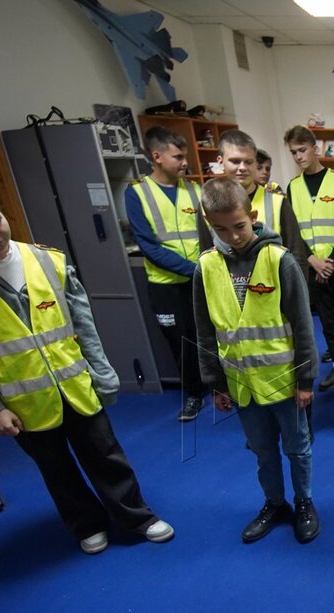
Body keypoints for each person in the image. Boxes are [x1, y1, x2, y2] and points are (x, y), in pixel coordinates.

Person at [0, 183, 175, 555]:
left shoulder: (46, 259)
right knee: (55, 468)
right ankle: (86, 523)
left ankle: (137, 517)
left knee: (106, 455)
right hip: (22, 398)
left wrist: (102, 373)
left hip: (75, 382)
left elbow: (83, 322)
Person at [192, 178, 320, 544]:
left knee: (297, 448)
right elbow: (205, 332)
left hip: (284, 381)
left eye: (239, 226)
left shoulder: (279, 260)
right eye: (220, 229)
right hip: (241, 385)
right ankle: (275, 503)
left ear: (252, 216)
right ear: (208, 223)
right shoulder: (205, 267)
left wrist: (306, 380)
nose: (232, 236)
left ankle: (304, 502)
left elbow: (303, 326)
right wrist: (216, 384)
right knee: (263, 451)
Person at [126, 126, 207, 423]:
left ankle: (222, 386)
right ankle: (194, 394)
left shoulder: (195, 190)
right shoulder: (137, 193)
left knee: (210, 335)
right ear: (157, 156)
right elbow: (148, 246)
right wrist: (193, 270)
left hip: (201, 280)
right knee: (181, 343)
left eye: (185, 156)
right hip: (166, 286)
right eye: (178, 157)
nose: (185, 162)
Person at [283, 125, 334, 390]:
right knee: (328, 321)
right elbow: (292, 230)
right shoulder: (293, 188)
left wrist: (330, 261)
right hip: (313, 267)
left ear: (315, 149)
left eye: (302, 150)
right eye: (293, 152)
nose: (298, 156)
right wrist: (312, 260)